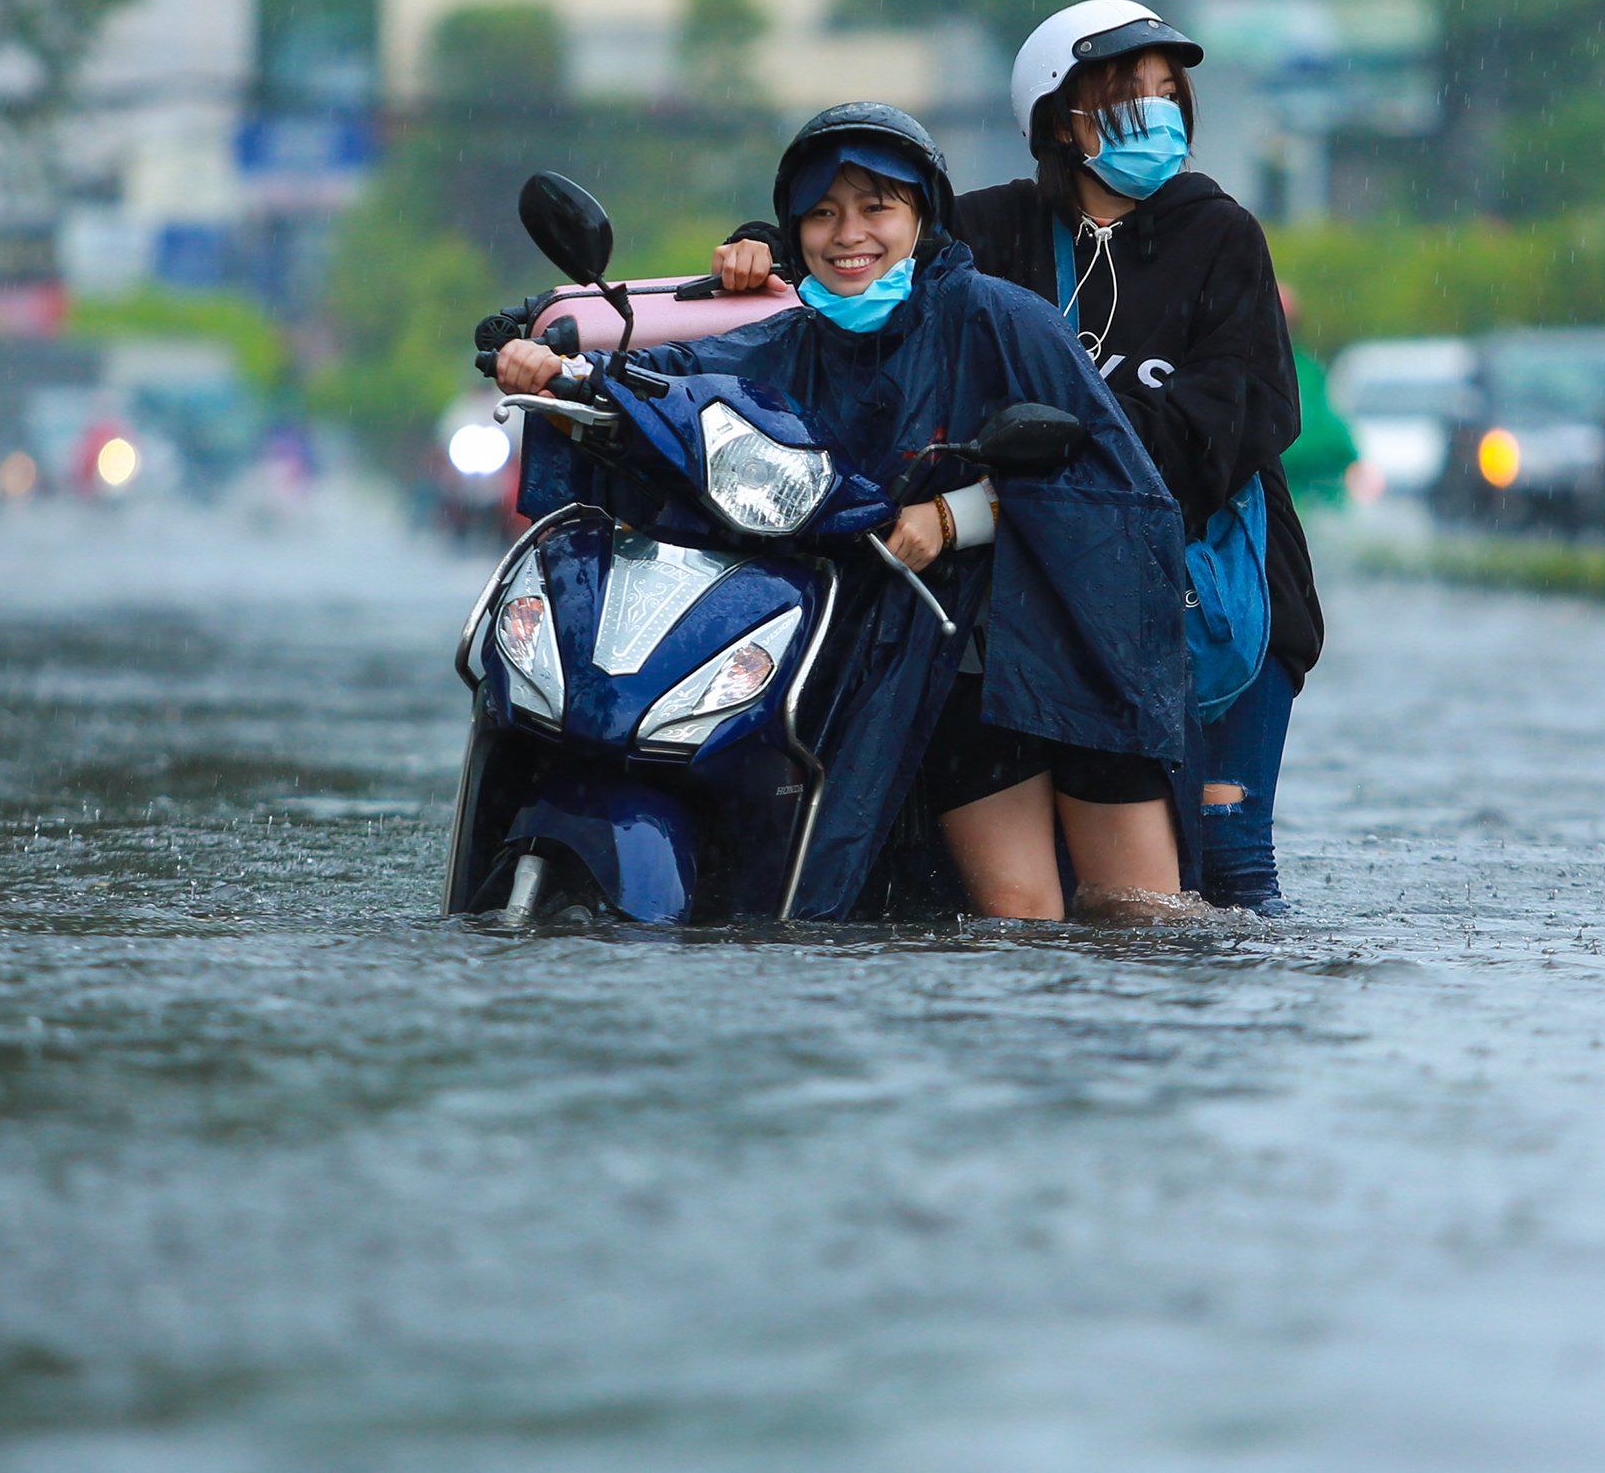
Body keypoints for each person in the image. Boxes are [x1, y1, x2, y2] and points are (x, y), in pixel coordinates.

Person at [496, 103, 1190, 922]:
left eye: (875, 208)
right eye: (822, 213)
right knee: (1015, 919)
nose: (847, 233)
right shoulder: (790, 340)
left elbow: (1120, 493)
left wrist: (956, 516)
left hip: (1072, 653)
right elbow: (680, 381)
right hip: (936, 666)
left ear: (922, 214)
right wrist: (562, 370)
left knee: (1142, 920)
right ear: (793, 231)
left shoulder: (1005, 321)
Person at [714, 0, 1321, 913]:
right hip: (1018, 618)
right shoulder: (989, 236)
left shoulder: (1222, 237)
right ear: (1056, 120)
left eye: (1168, 92)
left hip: (1210, 604)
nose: (1155, 114)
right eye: (1126, 96)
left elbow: (1221, 435)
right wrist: (760, 248)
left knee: (1232, 874)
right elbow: (869, 246)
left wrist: (1015, 478)